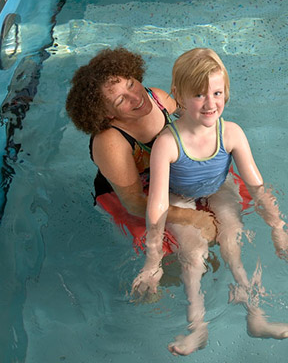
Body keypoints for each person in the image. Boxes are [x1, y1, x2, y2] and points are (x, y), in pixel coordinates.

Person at [131, 48, 288, 356]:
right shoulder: (168, 143)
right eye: (198, 95)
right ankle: (197, 327)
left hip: (219, 187)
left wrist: (278, 225)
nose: (211, 104)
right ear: (179, 96)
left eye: (217, 93)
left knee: (232, 239)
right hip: (179, 196)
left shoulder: (231, 133)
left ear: (226, 92)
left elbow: (256, 185)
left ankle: (256, 316)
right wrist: (152, 261)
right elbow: (156, 205)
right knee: (193, 255)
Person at [65, 47, 217, 254]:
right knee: (170, 253)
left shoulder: (157, 98)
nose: (136, 98)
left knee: (222, 220)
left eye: (131, 84)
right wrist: (191, 217)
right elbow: (134, 203)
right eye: (120, 100)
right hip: (129, 196)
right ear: (106, 114)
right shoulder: (110, 143)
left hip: (166, 175)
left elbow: (190, 115)